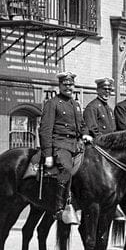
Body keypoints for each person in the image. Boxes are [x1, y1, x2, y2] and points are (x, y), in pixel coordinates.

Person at [38, 72, 86, 221]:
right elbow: (45, 130)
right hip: (60, 144)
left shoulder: (76, 105)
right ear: (59, 86)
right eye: (65, 85)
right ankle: (60, 208)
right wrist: (47, 155)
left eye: (70, 84)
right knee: (66, 168)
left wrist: (85, 134)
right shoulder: (52, 103)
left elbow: (82, 125)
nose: (68, 87)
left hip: (76, 145)